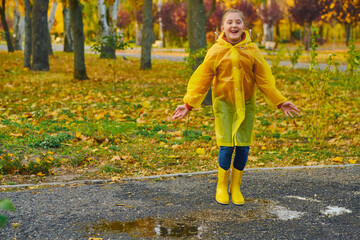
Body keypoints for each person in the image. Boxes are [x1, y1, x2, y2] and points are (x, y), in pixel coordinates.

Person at [172, 9, 300, 205]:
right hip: (224, 104)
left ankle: (236, 186)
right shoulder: (215, 51)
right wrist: (188, 104)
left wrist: (280, 100)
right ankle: (222, 186)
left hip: (247, 104)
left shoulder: (252, 50)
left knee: (242, 145)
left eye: (238, 22)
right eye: (229, 22)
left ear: (244, 27)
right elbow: (202, 79)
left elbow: (265, 79)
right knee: (226, 144)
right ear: (222, 28)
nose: (234, 25)